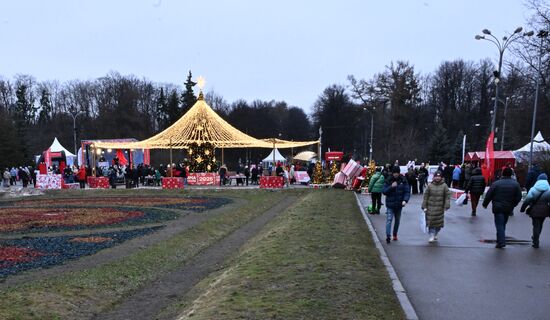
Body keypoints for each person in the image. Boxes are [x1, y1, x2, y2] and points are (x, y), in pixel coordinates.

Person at [482, 168, 522, 248]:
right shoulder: (515, 184)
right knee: (503, 224)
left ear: (502, 173)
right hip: (508, 207)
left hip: (498, 207)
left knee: (499, 225)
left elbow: (489, 194)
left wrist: (485, 204)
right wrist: (514, 204)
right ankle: (500, 240)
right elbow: (519, 196)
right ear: (511, 174)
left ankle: (501, 242)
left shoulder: (496, 183)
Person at [520, 174, 550, 248]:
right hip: (545, 209)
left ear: (538, 180)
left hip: (534, 209)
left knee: (535, 225)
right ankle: (536, 237)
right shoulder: (549, 189)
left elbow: (527, 200)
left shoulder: (533, 189)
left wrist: (523, 208)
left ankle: (535, 241)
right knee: (540, 224)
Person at [382, 166, 410, 243]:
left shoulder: (403, 180)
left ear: (399, 172)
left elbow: (407, 191)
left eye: (397, 173)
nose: (395, 174)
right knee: (389, 219)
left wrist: (405, 200)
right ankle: (388, 236)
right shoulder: (388, 180)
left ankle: (395, 234)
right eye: (394, 173)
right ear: (392, 173)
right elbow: (384, 191)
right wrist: (391, 187)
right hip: (390, 204)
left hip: (399, 204)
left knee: (397, 220)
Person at [422, 171, 451, 242]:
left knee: (438, 223)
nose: (437, 178)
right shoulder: (430, 185)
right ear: (434, 177)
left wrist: (447, 205)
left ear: (441, 177)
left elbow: (447, 196)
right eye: (436, 176)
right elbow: (425, 196)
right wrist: (424, 206)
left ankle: (436, 233)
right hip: (430, 208)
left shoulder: (444, 186)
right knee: (430, 222)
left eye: (439, 176)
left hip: (440, 208)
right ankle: (431, 235)